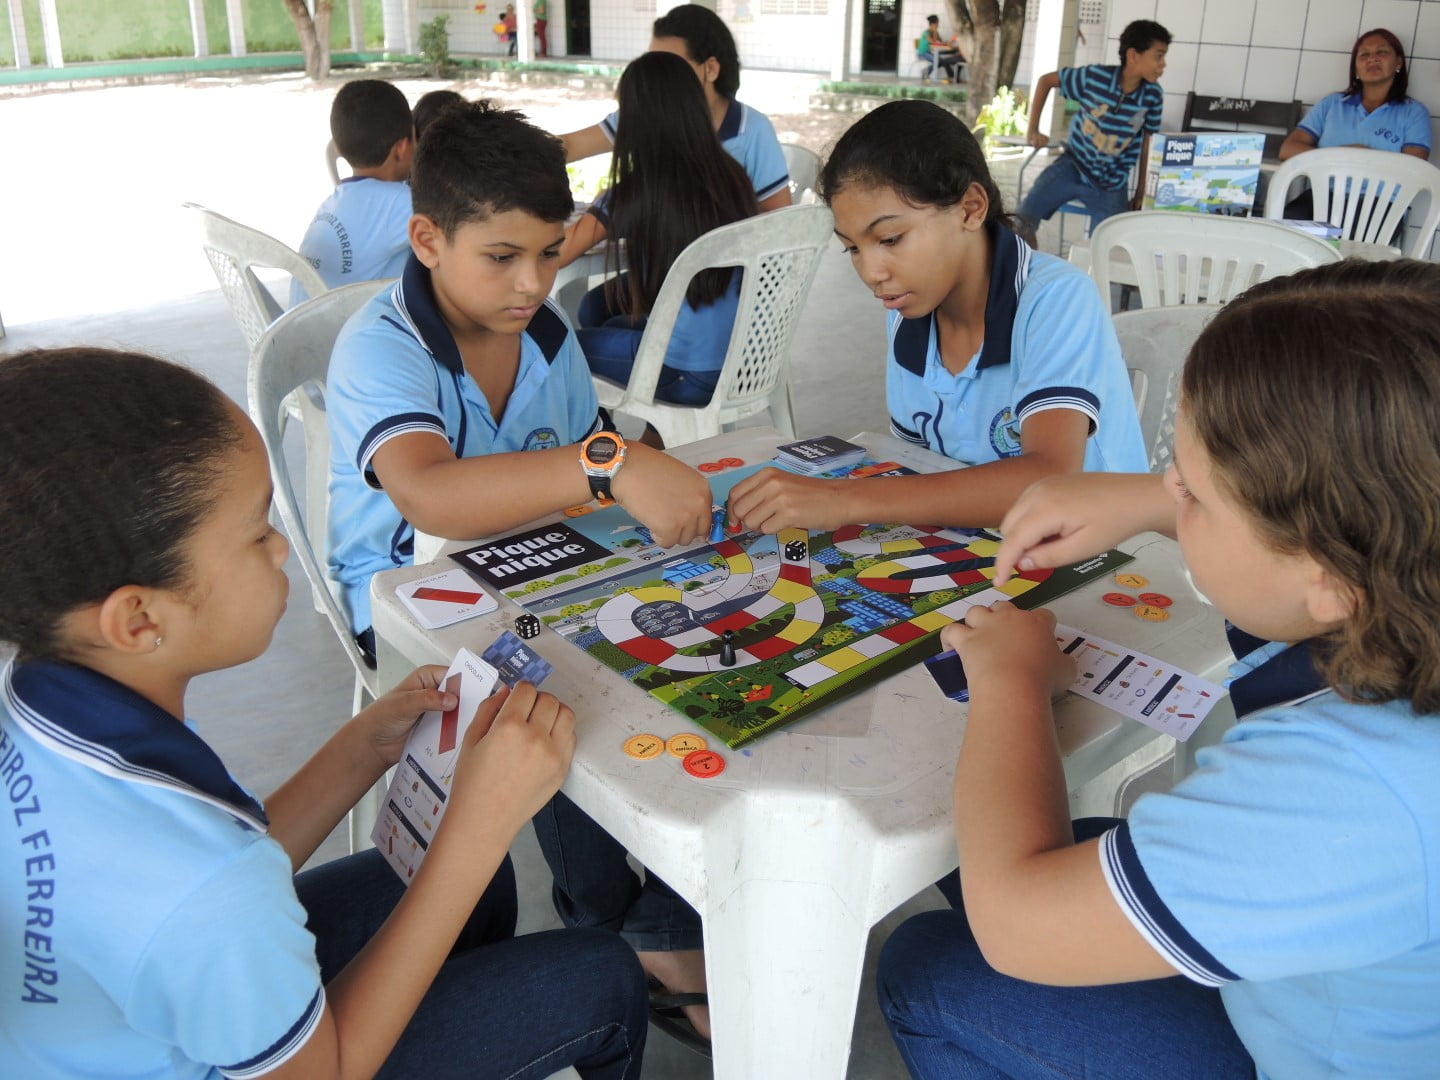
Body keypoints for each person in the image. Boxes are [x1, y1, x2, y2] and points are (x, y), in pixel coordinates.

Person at [0, 347, 649, 1079]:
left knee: (474, 885)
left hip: (125, 1014)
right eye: (257, 532)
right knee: (600, 974)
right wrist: (481, 821)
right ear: (138, 619)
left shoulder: (41, 706)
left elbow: (208, 877)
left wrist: (363, 747)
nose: (283, 547)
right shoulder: (203, 886)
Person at [876, 258, 1440, 1078]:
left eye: (1195, 493)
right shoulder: (1396, 601)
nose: (1168, 485)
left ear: (1328, 574)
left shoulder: (1352, 786)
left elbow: (1017, 926)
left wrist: (1009, 681)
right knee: (1053, 848)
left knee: (928, 962)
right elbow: (1281, 588)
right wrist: (1147, 502)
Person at [325, 100, 711, 665]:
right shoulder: (381, 346)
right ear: (428, 241)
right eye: (502, 257)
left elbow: (590, 454)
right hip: (407, 595)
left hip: (530, 560)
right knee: (566, 694)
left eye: (550, 253)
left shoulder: (547, 331)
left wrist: (639, 472)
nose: (532, 283)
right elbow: (429, 494)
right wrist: (612, 466)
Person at [726, 100, 1146, 536]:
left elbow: (1049, 479)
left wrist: (842, 499)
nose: (871, 272)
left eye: (890, 238)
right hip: (990, 543)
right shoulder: (908, 312)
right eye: (852, 248)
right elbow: (918, 466)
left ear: (970, 208)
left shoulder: (1055, 298)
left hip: (1103, 550)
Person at [558, 50, 759, 420]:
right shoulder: (731, 173)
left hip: (686, 373)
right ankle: (651, 430)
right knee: (597, 310)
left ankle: (600, 440)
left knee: (560, 348)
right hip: (742, 361)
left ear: (638, 121)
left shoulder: (639, 189)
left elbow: (558, 253)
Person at [558, 4, 792, 212]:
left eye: (670, 67)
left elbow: (779, 219)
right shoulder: (646, 115)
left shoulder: (753, 130)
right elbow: (571, 145)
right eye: (652, 65)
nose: (656, 79)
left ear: (710, 69)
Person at [1014, 19, 1170, 245]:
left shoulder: (1153, 96)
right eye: (1158, 56)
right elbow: (1046, 81)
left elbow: (1149, 142)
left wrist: (1141, 191)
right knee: (1021, 221)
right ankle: (1027, 265)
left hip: (1110, 184)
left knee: (1110, 243)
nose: (1163, 64)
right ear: (1133, 55)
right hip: (1071, 166)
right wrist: (1033, 130)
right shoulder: (1094, 78)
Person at [291, 79, 414, 306]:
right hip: (347, 328)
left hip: (302, 325)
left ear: (339, 147)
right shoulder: (400, 202)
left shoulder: (332, 202)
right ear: (402, 148)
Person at [1279, 28, 1431, 162]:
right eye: (1364, 54)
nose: (1372, 59)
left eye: (1381, 52)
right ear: (1356, 70)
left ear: (1398, 63)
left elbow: (1413, 168)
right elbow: (1287, 150)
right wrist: (1341, 155)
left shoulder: (1414, 113)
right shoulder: (1332, 104)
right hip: (1324, 186)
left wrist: (1364, 157)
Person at [917, 14, 963, 83]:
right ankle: (926, 72)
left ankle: (951, 77)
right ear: (933, 24)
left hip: (929, 52)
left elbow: (941, 41)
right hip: (922, 53)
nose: (938, 25)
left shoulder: (935, 32)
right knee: (938, 61)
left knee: (941, 61)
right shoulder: (926, 33)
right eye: (937, 23)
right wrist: (935, 31)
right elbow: (933, 42)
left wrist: (948, 42)